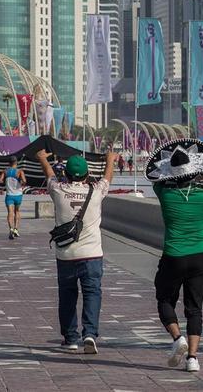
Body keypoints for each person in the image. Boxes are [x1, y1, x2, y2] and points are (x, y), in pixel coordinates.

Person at [149, 140, 203, 373]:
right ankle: (192, 358)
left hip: (173, 256)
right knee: (195, 308)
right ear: (194, 172)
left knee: (164, 299)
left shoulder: (164, 194)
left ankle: (176, 337)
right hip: (201, 255)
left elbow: (156, 177)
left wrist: (173, 169)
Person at [40, 149, 115, 355]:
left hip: (66, 255)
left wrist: (43, 160)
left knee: (67, 296)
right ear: (86, 174)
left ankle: (70, 338)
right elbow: (107, 178)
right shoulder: (97, 190)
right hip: (91, 254)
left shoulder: (58, 190)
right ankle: (90, 333)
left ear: (66, 174)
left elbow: (49, 175)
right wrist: (110, 160)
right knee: (92, 293)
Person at [0, 157, 26, 239]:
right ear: (16, 162)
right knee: (17, 211)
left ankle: (11, 229)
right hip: (18, 195)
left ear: (9, 163)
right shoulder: (20, 171)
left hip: (9, 195)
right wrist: (20, 181)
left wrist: (6, 181)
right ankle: (16, 229)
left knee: (10, 212)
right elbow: (24, 181)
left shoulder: (5, 171)